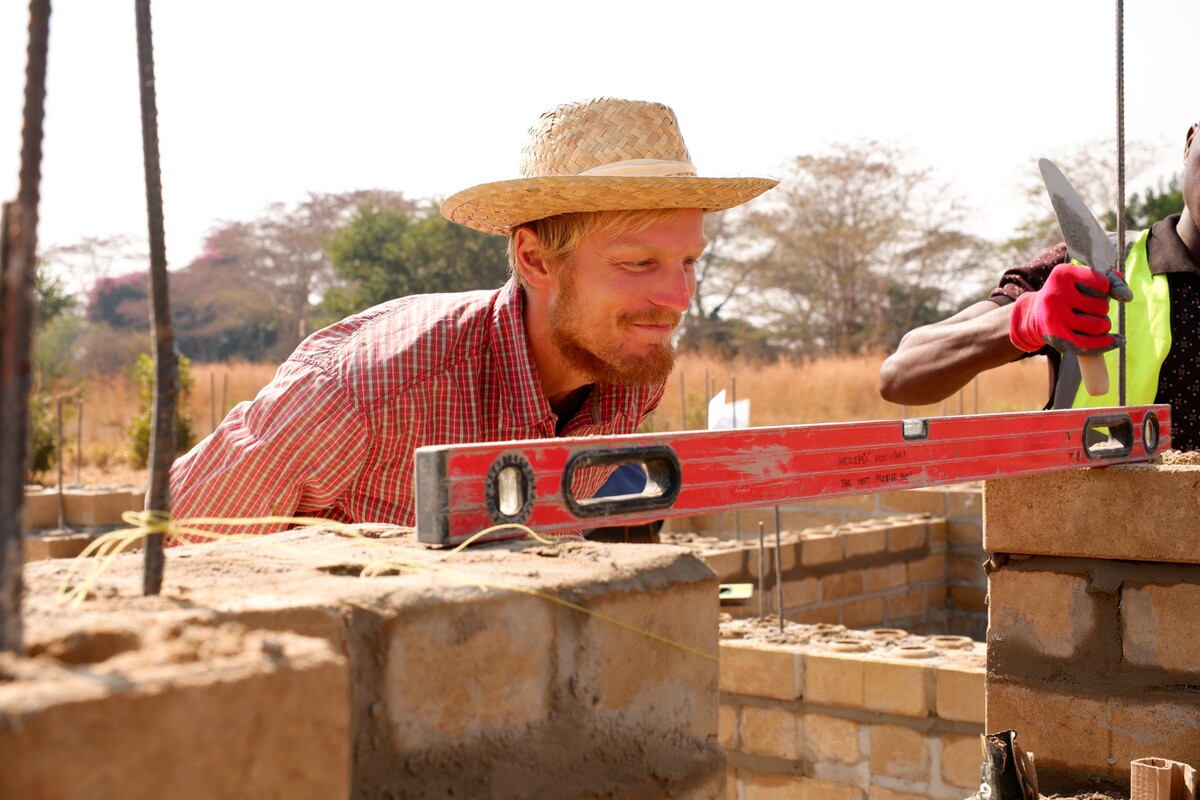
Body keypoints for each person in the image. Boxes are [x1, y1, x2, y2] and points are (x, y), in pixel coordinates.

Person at [169, 97, 778, 538]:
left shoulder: (627, 366)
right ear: (535, 259)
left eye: (689, 262)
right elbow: (179, 547)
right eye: (640, 262)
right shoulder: (369, 387)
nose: (677, 297)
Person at [879, 120, 1200, 452]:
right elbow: (899, 375)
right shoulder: (1088, 266)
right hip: (1090, 504)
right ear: (1190, 141)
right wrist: (1025, 320)